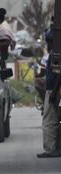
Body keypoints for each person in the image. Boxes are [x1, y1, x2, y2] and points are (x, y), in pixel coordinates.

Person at [38, 26, 61, 158]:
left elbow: (59, 74)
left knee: (49, 121)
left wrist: (53, 92)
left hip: (53, 91)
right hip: (54, 90)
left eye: (48, 42)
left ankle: (51, 150)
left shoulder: (55, 54)